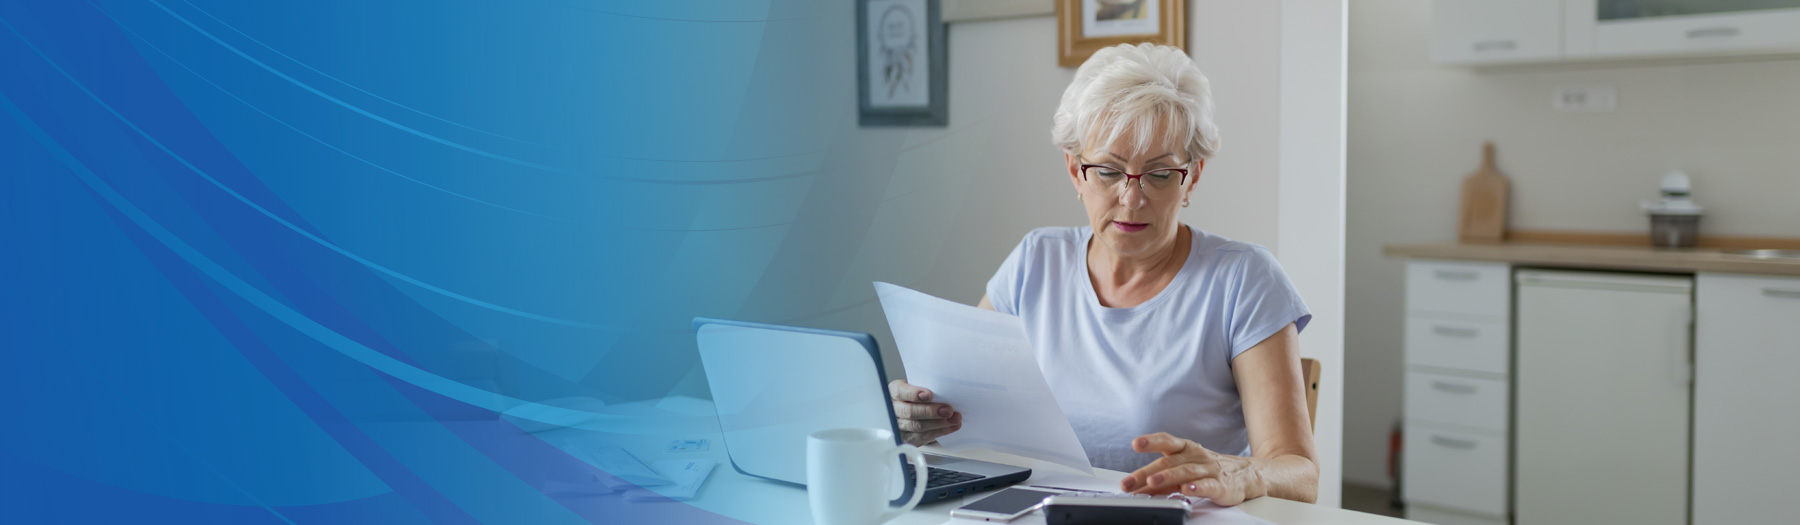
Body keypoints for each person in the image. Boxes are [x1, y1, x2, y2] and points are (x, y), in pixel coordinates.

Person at [887, 43, 1318, 505]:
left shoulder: (1244, 279)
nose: (1131, 200)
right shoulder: (1036, 261)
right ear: (1075, 171)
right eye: (1109, 171)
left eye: (1159, 175)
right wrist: (915, 414)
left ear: (1191, 177)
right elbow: (956, 403)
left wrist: (1245, 473)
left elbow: (1300, 473)